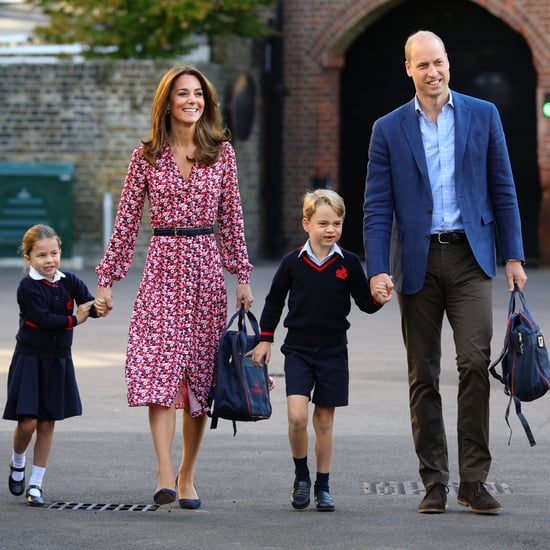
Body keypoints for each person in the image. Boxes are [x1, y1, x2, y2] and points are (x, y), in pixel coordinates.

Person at [363, 30, 528, 515]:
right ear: (408, 69)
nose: (432, 73)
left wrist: (513, 256)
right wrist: (377, 269)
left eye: (439, 63)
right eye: (423, 65)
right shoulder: (388, 129)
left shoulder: (483, 114)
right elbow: (376, 208)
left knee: (475, 365)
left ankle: (473, 481)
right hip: (416, 262)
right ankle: (434, 480)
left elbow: (505, 189)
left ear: (448, 64)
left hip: (471, 257)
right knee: (423, 374)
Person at [95, 66, 254, 508]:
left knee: (200, 382)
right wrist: (107, 280)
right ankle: (164, 471)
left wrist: (242, 275)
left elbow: (232, 220)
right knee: (160, 369)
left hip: (205, 272)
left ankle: (187, 473)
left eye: (198, 94)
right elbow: (126, 223)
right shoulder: (145, 156)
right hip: (163, 269)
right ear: (167, 101)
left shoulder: (221, 153)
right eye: (183, 94)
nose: (192, 100)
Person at [252, 189, 389, 512]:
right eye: (323, 223)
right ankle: (302, 477)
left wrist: (378, 300)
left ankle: (323, 486)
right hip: (298, 350)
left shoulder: (349, 263)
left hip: (333, 352)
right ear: (307, 223)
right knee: (298, 416)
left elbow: (364, 303)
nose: (331, 229)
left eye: (337, 224)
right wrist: (265, 338)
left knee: (324, 422)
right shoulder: (292, 263)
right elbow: (274, 302)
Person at [3, 224, 105, 507]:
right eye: (41, 255)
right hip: (30, 358)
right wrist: (76, 319)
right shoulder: (27, 287)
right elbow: (43, 320)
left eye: (54, 253)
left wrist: (100, 306)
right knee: (28, 422)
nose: (49, 260)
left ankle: (35, 485)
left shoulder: (69, 280)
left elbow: (88, 304)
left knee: (47, 422)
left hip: (58, 360)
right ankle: (18, 460)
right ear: (28, 258)